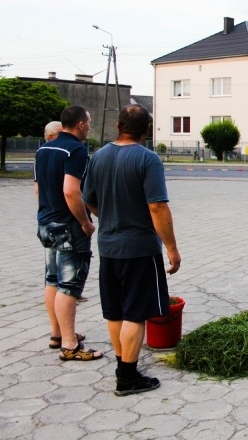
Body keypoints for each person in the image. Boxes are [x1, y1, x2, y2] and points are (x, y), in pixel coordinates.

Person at [82, 104, 181, 395]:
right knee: (135, 313)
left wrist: (110, 215)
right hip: (139, 248)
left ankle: (122, 364)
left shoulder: (97, 156)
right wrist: (172, 248)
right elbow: (157, 206)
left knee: (115, 311)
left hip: (108, 247)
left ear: (117, 126)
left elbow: (88, 198)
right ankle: (127, 377)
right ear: (146, 131)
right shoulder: (148, 159)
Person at [34, 106, 101, 360]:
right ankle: (70, 345)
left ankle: (57, 334)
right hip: (68, 226)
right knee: (69, 286)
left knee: (51, 280)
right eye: (89, 121)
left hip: (46, 223)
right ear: (81, 125)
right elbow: (71, 190)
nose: (90, 126)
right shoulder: (76, 150)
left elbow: (39, 188)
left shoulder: (43, 149)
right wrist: (85, 223)